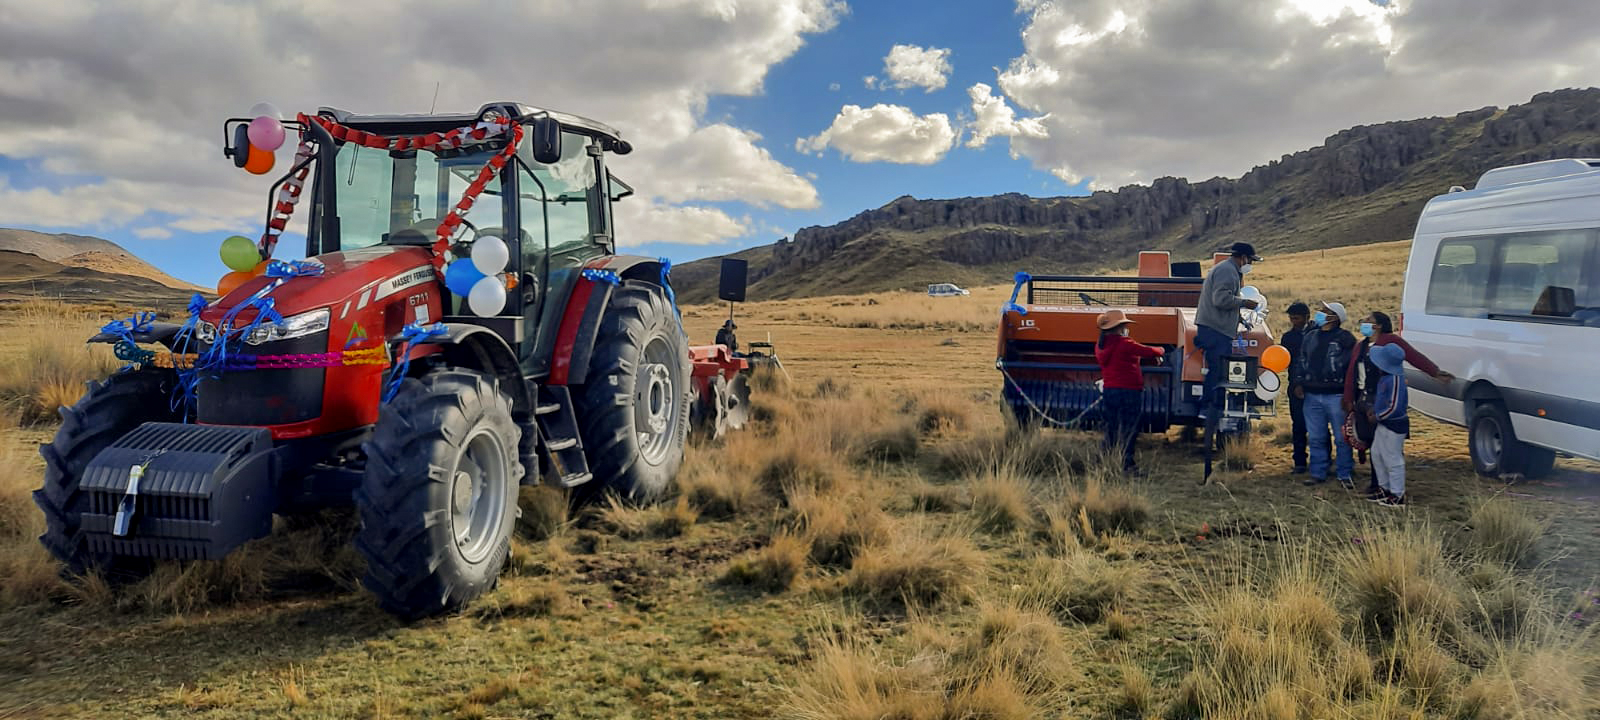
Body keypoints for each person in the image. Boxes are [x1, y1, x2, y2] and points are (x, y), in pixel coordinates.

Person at [1342, 311, 1454, 494]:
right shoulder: (1360, 345)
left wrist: (1434, 371)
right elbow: (1351, 372)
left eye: (1369, 321)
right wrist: (1348, 397)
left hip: (1382, 397)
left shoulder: (1391, 342)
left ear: (1378, 325)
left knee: (1387, 444)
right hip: (1363, 396)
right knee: (1371, 440)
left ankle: (1388, 487)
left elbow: (1413, 356)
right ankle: (1379, 484)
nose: (1364, 323)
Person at [1291, 301, 1357, 488]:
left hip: (1336, 395)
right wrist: (1298, 382)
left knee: (1342, 437)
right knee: (1316, 436)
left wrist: (1348, 395)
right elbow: (1301, 361)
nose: (1320, 313)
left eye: (1325, 311)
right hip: (1311, 394)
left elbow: (1351, 369)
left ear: (1335, 317)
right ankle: (1318, 472)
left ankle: (1344, 473)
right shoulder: (1310, 337)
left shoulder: (1345, 339)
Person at [1194, 242, 1262, 419]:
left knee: (1219, 369)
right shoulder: (1228, 271)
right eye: (1250, 261)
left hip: (1215, 327)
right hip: (1215, 329)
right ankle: (1208, 407)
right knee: (1217, 369)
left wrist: (1238, 318)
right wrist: (1244, 303)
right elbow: (1220, 299)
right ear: (1243, 258)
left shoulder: (1228, 269)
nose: (1250, 265)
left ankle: (1214, 406)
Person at [1094, 309, 1165, 475]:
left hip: (1110, 391)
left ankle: (1103, 462)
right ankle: (1127, 466)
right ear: (1119, 327)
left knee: (1112, 428)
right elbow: (1149, 351)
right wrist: (1161, 350)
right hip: (1129, 391)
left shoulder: (1100, 346)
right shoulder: (1124, 343)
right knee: (1129, 428)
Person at [1366, 343, 1411, 507]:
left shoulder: (1395, 380)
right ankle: (1384, 488)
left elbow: (1395, 406)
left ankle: (1397, 494)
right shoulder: (1386, 377)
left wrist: (1378, 415)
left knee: (1393, 458)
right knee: (1377, 454)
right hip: (1384, 422)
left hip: (1394, 424)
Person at [1280, 302, 1313, 475]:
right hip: (1295, 386)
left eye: (1297, 318)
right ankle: (1299, 461)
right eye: (1291, 318)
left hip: (1315, 386)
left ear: (1307, 317)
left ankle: (1321, 461)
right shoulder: (1288, 338)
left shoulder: (1317, 334)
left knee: (1318, 426)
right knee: (1298, 425)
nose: (1294, 321)